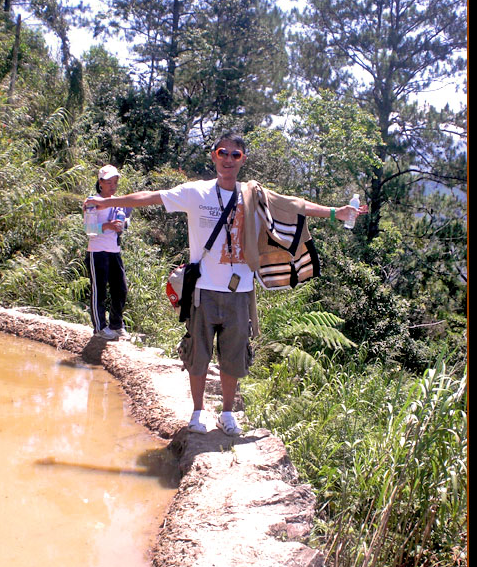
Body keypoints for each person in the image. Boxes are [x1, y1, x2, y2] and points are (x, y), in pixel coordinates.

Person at [85, 133, 368, 434]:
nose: (228, 159)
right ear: (214, 156)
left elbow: (294, 205)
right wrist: (108, 201)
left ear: (243, 159)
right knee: (198, 354)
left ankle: (228, 413)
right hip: (203, 290)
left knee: (233, 356)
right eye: (223, 153)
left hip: (240, 291)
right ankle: (197, 412)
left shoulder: (253, 195)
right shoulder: (196, 192)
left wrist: (336, 213)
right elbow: (151, 197)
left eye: (236, 155)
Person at [85, 165, 132, 341]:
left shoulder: (118, 201)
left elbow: (126, 222)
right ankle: (99, 327)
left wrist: (122, 225)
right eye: (109, 182)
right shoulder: (92, 202)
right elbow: (89, 229)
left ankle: (116, 325)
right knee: (99, 291)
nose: (113, 186)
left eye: (115, 182)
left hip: (114, 250)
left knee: (120, 289)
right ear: (101, 183)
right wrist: (107, 226)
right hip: (97, 251)